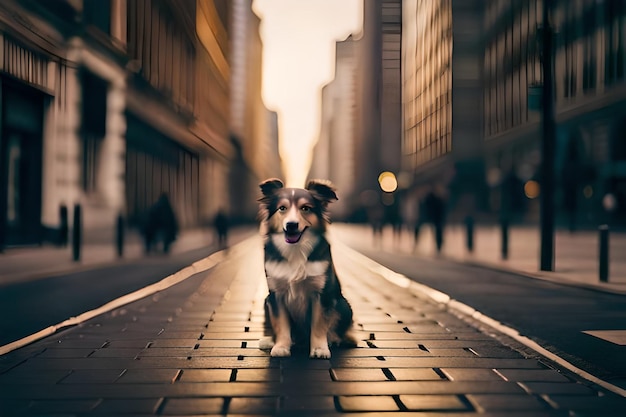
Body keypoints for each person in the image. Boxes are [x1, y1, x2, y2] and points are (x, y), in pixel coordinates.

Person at [422, 186, 446, 254]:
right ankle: (438, 246)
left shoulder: (438, 198)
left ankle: (439, 246)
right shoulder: (434, 198)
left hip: (437, 218)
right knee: (437, 232)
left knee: (438, 232)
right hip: (436, 218)